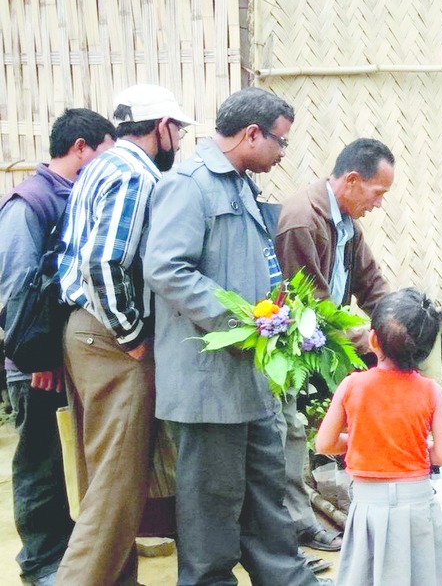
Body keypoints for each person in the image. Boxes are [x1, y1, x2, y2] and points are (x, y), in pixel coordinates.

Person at [143, 87, 329, 585]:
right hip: (209, 384)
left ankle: (288, 579)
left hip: (251, 379)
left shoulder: (239, 183)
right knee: (211, 512)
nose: (283, 153)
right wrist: (240, 323)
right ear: (252, 134)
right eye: (280, 142)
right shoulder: (188, 184)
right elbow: (166, 268)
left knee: (267, 498)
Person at [56, 85, 194, 586]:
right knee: (117, 488)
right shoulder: (136, 174)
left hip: (84, 333)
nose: (179, 139)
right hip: (111, 339)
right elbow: (104, 261)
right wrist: (133, 337)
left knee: (101, 477)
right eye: (177, 129)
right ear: (160, 128)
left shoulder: (99, 166)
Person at [0, 109, 115, 586]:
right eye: (106, 154)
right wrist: (38, 359)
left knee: (71, 457)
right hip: (34, 361)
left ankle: (72, 552)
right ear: (81, 148)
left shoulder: (72, 196)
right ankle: (41, 560)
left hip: (63, 357)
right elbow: (14, 288)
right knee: (40, 459)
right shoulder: (30, 202)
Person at [273, 138, 393, 556]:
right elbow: (313, 310)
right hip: (289, 343)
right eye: (378, 193)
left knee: (321, 427)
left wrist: (397, 324)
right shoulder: (303, 221)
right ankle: (295, 528)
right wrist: (373, 341)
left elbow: (371, 283)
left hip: (323, 341)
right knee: (289, 432)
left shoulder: (345, 222)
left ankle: (317, 511)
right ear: (354, 180)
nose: (379, 204)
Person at [315, 287, 442, 586]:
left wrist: (362, 441)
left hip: (370, 507)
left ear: (373, 339)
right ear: (424, 349)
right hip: (417, 504)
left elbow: (324, 443)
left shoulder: (353, 386)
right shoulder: (431, 391)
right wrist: (412, 445)